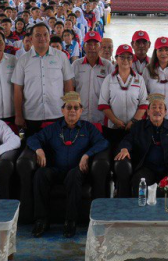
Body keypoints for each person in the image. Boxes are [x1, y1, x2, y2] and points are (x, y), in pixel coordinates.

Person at [27, 92, 109, 238]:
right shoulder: (54, 128)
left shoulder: (88, 128)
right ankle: (41, 220)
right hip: (56, 170)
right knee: (40, 174)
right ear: (62, 110)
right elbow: (33, 139)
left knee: (73, 174)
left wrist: (87, 155)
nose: (72, 110)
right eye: (69, 107)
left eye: (76, 108)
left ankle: (70, 221)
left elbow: (103, 142)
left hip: (77, 172)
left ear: (81, 110)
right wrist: (39, 150)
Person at [13, 23, 75, 137]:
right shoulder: (23, 60)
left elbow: (68, 84)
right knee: (32, 146)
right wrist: (18, 115)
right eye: (38, 35)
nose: (42, 38)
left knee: (58, 146)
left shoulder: (61, 57)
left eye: (45, 34)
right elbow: (17, 89)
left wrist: (70, 110)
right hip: (31, 116)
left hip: (57, 113)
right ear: (31, 39)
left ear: (49, 37)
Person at [98, 45, 149, 148]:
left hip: (135, 127)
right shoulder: (109, 79)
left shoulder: (139, 79)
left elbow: (144, 103)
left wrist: (134, 121)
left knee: (134, 153)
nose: (126, 60)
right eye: (122, 57)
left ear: (132, 60)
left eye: (129, 57)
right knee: (114, 152)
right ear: (116, 59)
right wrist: (115, 121)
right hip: (113, 127)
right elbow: (103, 104)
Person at [72, 31, 113, 126]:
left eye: (95, 44)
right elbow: (71, 89)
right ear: (83, 46)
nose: (92, 47)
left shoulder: (108, 66)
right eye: (89, 44)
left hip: (101, 118)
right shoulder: (76, 65)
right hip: (80, 117)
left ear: (100, 46)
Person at [144, 37, 168, 123]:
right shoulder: (148, 70)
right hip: (153, 117)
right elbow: (143, 95)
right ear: (155, 52)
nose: (164, 53)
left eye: (167, 50)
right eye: (160, 50)